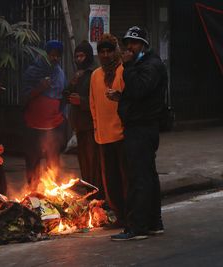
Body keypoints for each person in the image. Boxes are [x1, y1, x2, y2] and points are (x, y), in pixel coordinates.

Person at [111, 26, 167, 241]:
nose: (129, 48)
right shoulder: (143, 64)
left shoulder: (148, 65)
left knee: (139, 178)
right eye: (128, 44)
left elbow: (139, 89)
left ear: (143, 45)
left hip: (142, 128)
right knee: (147, 176)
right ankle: (153, 223)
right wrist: (121, 98)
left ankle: (138, 227)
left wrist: (127, 66)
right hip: (141, 126)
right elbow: (137, 95)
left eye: (134, 44)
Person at [89, 33, 128, 227]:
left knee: (126, 179)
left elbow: (130, 100)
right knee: (110, 181)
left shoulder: (124, 71)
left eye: (109, 51)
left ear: (116, 52)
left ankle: (130, 216)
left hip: (121, 135)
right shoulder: (96, 75)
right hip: (103, 136)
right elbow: (93, 105)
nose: (105, 55)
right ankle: (120, 215)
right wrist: (97, 128)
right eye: (102, 52)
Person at [21, 40, 67, 191]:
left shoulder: (59, 74)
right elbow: (25, 97)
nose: (54, 58)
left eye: (57, 56)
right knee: (33, 161)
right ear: (45, 54)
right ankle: (32, 193)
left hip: (53, 125)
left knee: (53, 162)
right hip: (33, 125)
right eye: (51, 55)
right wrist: (40, 88)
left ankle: (53, 193)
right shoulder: (32, 72)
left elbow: (62, 97)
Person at [63, 40, 103, 198]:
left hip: (91, 125)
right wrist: (72, 84)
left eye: (82, 56)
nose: (79, 59)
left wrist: (82, 101)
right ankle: (89, 192)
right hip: (79, 126)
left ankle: (97, 194)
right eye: (77, 56)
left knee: (93, 163)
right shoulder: (77, 75)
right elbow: (65, 95)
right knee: (84, 163)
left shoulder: (94, 74)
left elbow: (98, 100)